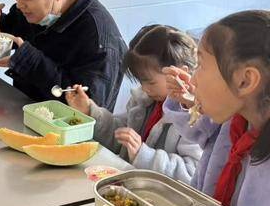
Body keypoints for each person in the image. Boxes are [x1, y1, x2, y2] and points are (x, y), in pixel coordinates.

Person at [163, 10, 270, 206]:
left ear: (245, 81)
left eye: (201, 65)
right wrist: (190, 101)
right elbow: (201, 127)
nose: (193, 80)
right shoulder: (237, 120)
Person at [66, 25, 202, 183]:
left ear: (179, 73)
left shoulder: (194, 115)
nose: (144, 88)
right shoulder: (145, 100)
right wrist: (91, 112)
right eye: (140, 81)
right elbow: (122, 136)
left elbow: (192, 174)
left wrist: (143, 155)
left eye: (150, 82)